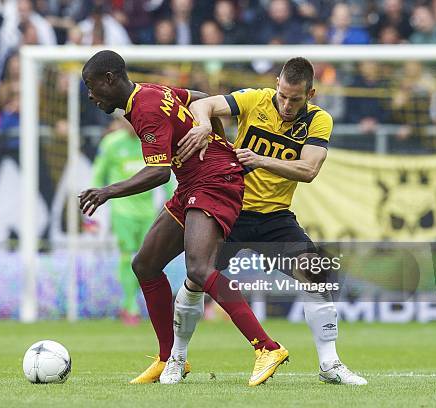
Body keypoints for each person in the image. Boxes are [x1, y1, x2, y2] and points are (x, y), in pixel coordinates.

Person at [79, 50, 288, 386]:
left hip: (214, 181)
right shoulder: (149, 91)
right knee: (145, 264)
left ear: (110, 79)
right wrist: (212, 131)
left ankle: (267, 347)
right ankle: (167, 358)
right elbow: (205, 99)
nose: (90, 95)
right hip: (194, 183)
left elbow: (159, 173)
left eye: (91, 86)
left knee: (199, 268)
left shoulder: (145, 108)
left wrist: (106, 191)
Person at [165, 57, 367, 385]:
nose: (286, 105)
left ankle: (330, 365)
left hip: (275, 218)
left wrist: (260, 160)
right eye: (283, 96)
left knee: (315, 272)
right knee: (196, 279)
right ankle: (177, 359)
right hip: (230, 210)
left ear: (311, 94)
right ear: (276, 84)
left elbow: (309, 170)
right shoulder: (254, 99)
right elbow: (205, 103)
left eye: (295, 99)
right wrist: (203, 125)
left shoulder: (319, 121)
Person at [92, 118, 163, 325]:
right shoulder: (111, 143)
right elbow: (99, 174)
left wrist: (172, 199)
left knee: (148, 261)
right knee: (127, 257)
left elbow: (165, 173)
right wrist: (93, 211)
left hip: (148, 211)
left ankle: (136, 304)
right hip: (122, 210)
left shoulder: (151, 142)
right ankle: (130, 305)